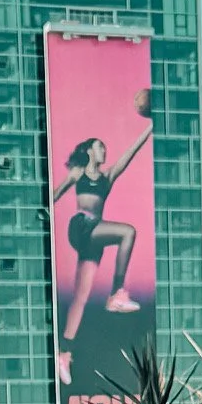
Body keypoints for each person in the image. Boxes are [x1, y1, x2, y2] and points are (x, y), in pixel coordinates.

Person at [53, 124, 151, 346]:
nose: (104, 152)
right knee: (128, 232)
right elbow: (55, 194)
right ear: (89, 151)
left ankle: (65, 352)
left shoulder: (108, 176)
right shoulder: (78, 173)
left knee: (81, 294)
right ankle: (116, 292)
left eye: (105, 149)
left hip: (94, 234)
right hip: (81, 227)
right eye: (100, 148)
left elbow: (132, 151)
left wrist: (149, 127)